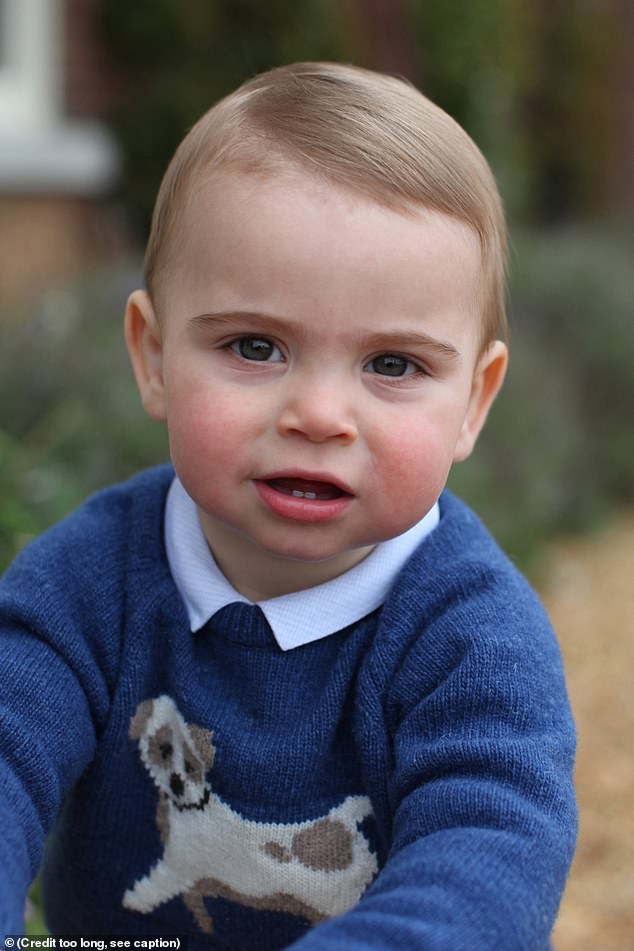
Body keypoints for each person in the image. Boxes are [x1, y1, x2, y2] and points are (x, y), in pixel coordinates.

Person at [0, 62, 576, 950]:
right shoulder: (89, 583)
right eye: (256, 345)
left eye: (393, 365)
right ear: (153, 357)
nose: (317, 415)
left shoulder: (473, 639)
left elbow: (488, 865)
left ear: (474, 400)